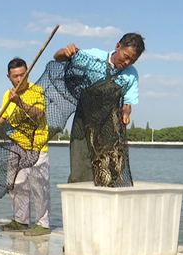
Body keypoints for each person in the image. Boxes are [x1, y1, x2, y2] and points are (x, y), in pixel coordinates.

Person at [53, 33, 145, 185]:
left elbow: (127, 103)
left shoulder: (131, 74)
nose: (127, 62)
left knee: (110, 172)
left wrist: (126, 113)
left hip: (110, 126)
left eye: (132, 60)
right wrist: (65, 51)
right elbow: (58, 57)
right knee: (80, 171)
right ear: (117, 47)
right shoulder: (94, 57)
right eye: (126, 56)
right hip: (84, 122)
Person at [0, 57, 51, 236]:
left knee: (40, 187)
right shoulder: (8, 95)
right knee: (16, 184)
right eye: (15, 76)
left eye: (22, 75)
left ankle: (43, 224)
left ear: (28, 73)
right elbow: (3, 115)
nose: (19, 79)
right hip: (17, 146)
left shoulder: (36, 91)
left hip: (37, 146)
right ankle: (21, 221)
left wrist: (20, 103)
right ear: (9, 77)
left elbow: (38, 114)